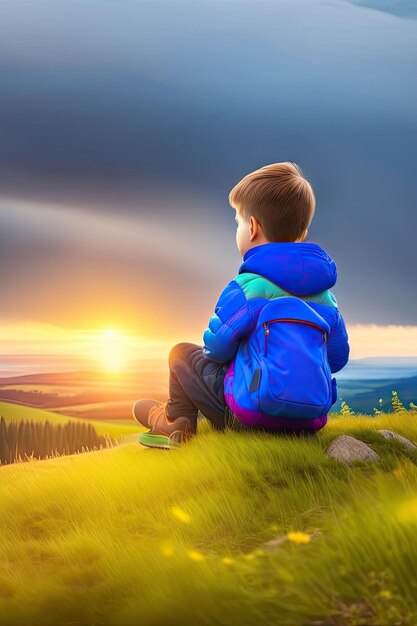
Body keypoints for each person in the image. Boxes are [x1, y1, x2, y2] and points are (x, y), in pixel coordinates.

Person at [132, 162, 350, 448]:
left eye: (237, 221)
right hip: (308, 422)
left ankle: (176, 420)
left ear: (252, 227)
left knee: (181, 354)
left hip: (247, 416)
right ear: (302, 234)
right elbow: (337, 358)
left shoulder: (248, 287)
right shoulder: (327, 299)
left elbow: (215, 348)